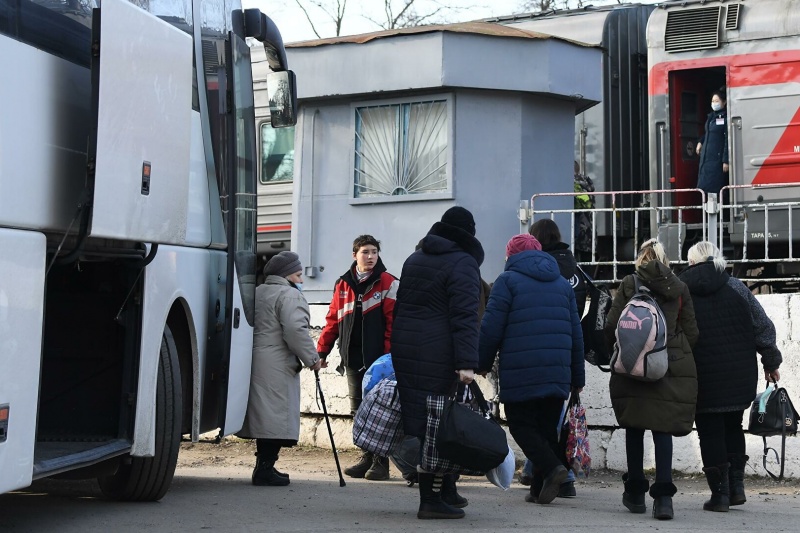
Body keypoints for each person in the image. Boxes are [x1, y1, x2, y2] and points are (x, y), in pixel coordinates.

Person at [392, 206, 484, 520]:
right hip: (441, 353)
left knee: (422, 423)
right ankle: (429, 501)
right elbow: (465, 317)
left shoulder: (414, 258)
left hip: (408, 350)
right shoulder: (464, 262)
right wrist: (466, 362)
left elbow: (400, 309)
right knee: (440, 426)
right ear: (468, 233)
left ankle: (444, 491)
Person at [478, 234, 585, 505]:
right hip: (558, 370)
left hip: (521, 369)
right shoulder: (562, 284)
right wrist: (577, 376)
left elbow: (491, 327)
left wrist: (480, 362)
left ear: (511, 256)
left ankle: (552, 468)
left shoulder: (507, 281)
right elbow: (576, 332)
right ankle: (539, 488)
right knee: (547, 430)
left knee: (520, 424)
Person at [679, 241, 783, 512]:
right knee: (733, 426)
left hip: (701, 375)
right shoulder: (736, 287)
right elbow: (762, 327)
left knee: (709, 431)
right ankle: (736, 488)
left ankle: (720, 495)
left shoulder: (681, 290)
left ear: (691, 263)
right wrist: (770, 360)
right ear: (717, 259)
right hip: (739, 376)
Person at [604, 238, 698, 520]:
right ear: (663, 259)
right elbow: (691, 331)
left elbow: (611, 324)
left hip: (632, 364)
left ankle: (634, 494)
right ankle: (664, 499)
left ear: (640, 259)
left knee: (634, 427)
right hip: (666, 366)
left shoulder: (629, 283)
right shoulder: (679, 287)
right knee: (662, 430)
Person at [238, 251, 325, 486]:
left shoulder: (257, 292)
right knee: (275, 417)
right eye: (298, 274)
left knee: (266, 416)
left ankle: (264, 467)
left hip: (256, 359)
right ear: (287, 275)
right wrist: (313, 359)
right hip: (277, 362)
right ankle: (265, 469)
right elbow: (296, 332)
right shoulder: (289, 295)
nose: (302, 280)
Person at [316, 235, 399, 481]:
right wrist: (321, 352)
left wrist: (388, 357)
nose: (371, 256)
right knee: (358, 410)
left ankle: (380, 463)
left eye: (374, 252)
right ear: (355, 255)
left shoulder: (389, 282)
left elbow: (394, 324)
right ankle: (366, 457)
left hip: (380, 361)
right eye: (365, 252)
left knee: (381, 411)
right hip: (352, 358)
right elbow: (332, 321)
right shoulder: (342, 284)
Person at [519, 218, 587, 496]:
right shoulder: (575, 269)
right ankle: (550, 476)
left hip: (536, 351)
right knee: (555, 419)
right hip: (567, 350)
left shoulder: (539, 269)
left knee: (535, 420)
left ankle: (560, 474)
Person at [695, 88, 729, 198]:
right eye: (713, 101)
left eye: (717, 101)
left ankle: (718, 214)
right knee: (704, 188)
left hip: (716, 160)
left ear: (724, 102)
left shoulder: (725, 118)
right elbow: (709, 133)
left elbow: (727, 139)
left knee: (715, 188)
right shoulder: (711, 118)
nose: (714, 104)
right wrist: (701, 141)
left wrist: (725, 160)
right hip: (706, 159)